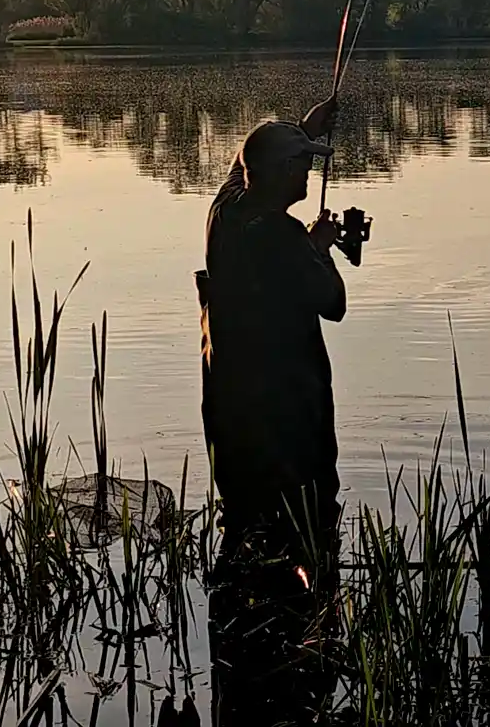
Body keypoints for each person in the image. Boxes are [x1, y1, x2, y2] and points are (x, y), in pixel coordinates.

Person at [198, 98, 347, 724]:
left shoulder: (225, 212)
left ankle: (247, 649)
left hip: (230, 414)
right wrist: (322, 248)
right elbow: (332, 302)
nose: (309, 173)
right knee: (305, 531)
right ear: (281, 173)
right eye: (303, 163)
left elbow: (243, 166)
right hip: (287, 421)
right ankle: (301, 654)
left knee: (246, 531)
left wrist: (307, 128)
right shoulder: (279, 236)